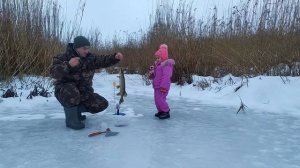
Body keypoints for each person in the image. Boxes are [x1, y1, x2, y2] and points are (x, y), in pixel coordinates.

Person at [50, 36, 123, 130]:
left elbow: (102, 60)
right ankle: (71, 120)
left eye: (88, 48)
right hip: (65, 92)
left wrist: (114, 57)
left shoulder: (90, 58)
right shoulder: (62, 57)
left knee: (102, 103)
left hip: (83, 92)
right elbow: (53, 73)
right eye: (84, 48)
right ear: (76, 47)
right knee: (72, 92)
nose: (86, 51)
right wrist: (68, 65)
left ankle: (75, 112)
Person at [148, 44, 175, 119]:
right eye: (156, 58)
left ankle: (166, 111)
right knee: (157, 100)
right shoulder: (158, 66)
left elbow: (166, 76)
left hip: (162, 86)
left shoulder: (166, 65)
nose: (157, 59)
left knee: (161, 99)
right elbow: (154, 76)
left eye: (158, 57)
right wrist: (151, 71)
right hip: (157, 86)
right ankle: (161, 111)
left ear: (163, 57)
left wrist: (164, 86)